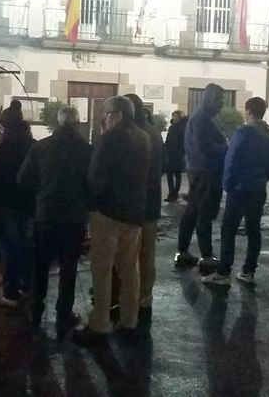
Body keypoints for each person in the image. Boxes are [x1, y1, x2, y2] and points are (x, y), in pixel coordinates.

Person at [72, 96, 149, 346]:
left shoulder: (110, 138)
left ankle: (100, 323)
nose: (103, 119)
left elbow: (96, 177)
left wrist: (90, 203)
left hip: (108, 214)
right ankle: (129, 318)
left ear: (115, 114)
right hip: (135, 213)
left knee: (102, 270)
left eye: (105, 114)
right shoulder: (144, 137)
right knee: (129, 269)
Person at [17, 106, 92, 338]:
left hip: (46, 214)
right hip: (73, 217)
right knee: (69, 267)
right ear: (77, 123)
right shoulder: (87, 150)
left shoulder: (40, 146)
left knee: (40, 264)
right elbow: (92, 183)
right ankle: (63, 314)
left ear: (58, 123)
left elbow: (23, 179)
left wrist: (42, 194)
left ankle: (35, 311)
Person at [202, 97, 269, 286]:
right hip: (258, 188)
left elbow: (232, 158)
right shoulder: (268, 134)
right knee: (254, 229)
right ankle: (249, 270)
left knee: (228, 229)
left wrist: (227, 184)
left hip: (240, 188)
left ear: (248, 110)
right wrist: (263, 178)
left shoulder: (244, 133)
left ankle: (223, 272)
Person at [175, 84, 227, 270]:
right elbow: (205, 146)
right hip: (204, 171)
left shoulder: (205, 117)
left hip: (200, 170)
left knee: (193, 211)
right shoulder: (203, 119)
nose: (222, 103)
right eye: (219, 99)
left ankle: (183, 251)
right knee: (203, 212)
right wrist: (226, 147)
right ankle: (206, 256)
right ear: (210, 98)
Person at [0, 113, 36, 307]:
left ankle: (10, 292)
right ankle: (27, 285)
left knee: (9, 246)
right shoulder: (33, 145)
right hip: (27, 203)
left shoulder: (4, 148)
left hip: (6, 203)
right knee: (24, 243)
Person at [125, 94, 163, 327]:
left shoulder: (134, 135)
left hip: (133, 204)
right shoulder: (155, 132)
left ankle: (129, 299)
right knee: (147, 254)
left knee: (129, 255)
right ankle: (145, 297)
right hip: (152, 203)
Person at [164, 110, 187, 202]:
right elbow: (168, 139)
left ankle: (175, 193)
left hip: (178, 154)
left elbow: (182, 141)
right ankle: (171, 193)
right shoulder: (172, 127)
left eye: (176, 116)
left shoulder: (182, 128)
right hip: (170, 153)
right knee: (169, 174)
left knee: (177, 174)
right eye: (173, 116)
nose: (174, 118)